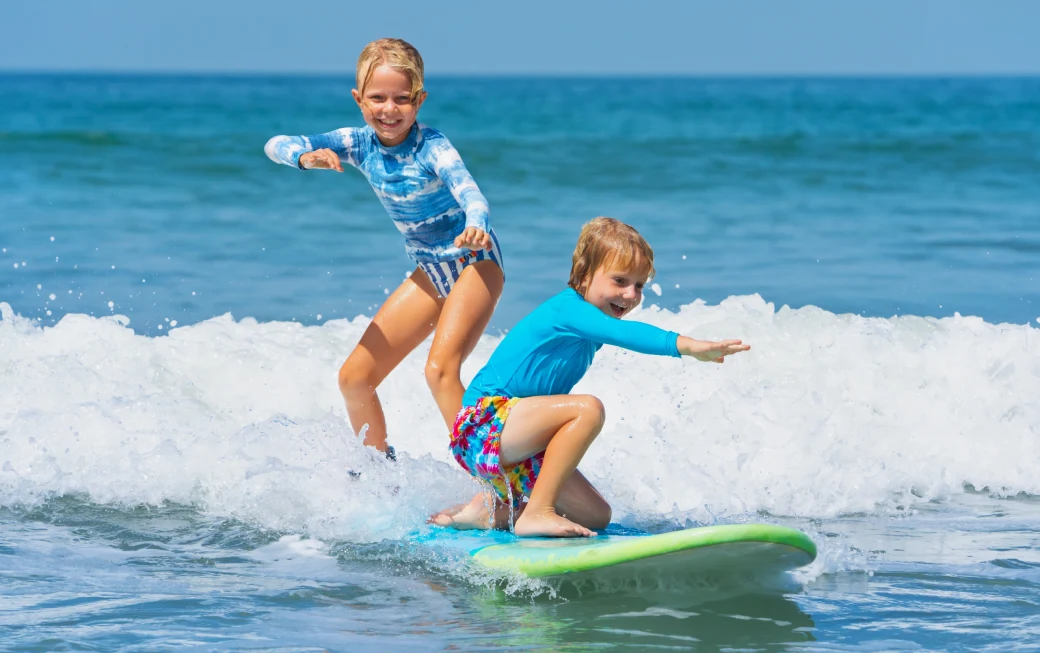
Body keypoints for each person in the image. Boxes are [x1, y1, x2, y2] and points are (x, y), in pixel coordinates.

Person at [433, 217, 750, 537]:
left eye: (639, 285)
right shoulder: (569, 311)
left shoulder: (591, 322)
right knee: (587, 409)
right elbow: (625, 333)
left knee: (596, 515)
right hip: (481, 425)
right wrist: (688, 345)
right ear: (584, 275)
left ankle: (488, 512)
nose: (630, 294)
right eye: (620, 280)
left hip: (515, 437)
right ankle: (536, 514)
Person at [264, 38, 504, 456]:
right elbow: (275, 144)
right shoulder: (358, 143)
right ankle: (380, 480)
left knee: (440, 372)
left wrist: (476, 225)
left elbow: (471, 193)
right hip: (432, 272)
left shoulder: (432, 146)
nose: (389, 109)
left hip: (475, 263)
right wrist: (305, 158)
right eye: (377, 98)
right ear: (359, 100)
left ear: (420, 100)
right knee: (355, 377)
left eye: (402, 99)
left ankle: (498, 481)